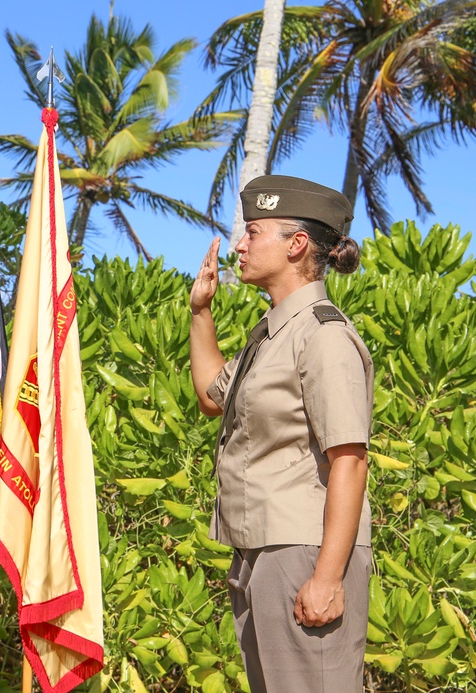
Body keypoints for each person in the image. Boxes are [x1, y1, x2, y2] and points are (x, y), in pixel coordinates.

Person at [188, 175, 374, 691]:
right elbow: (211, 396)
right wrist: (199, 312)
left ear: (296, 245)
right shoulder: (272, 333)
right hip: (260, 552)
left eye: (253, 231)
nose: (239, 244)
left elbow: (350, 460)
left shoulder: (323, 335)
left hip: (305, 552)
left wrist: (328, 576)